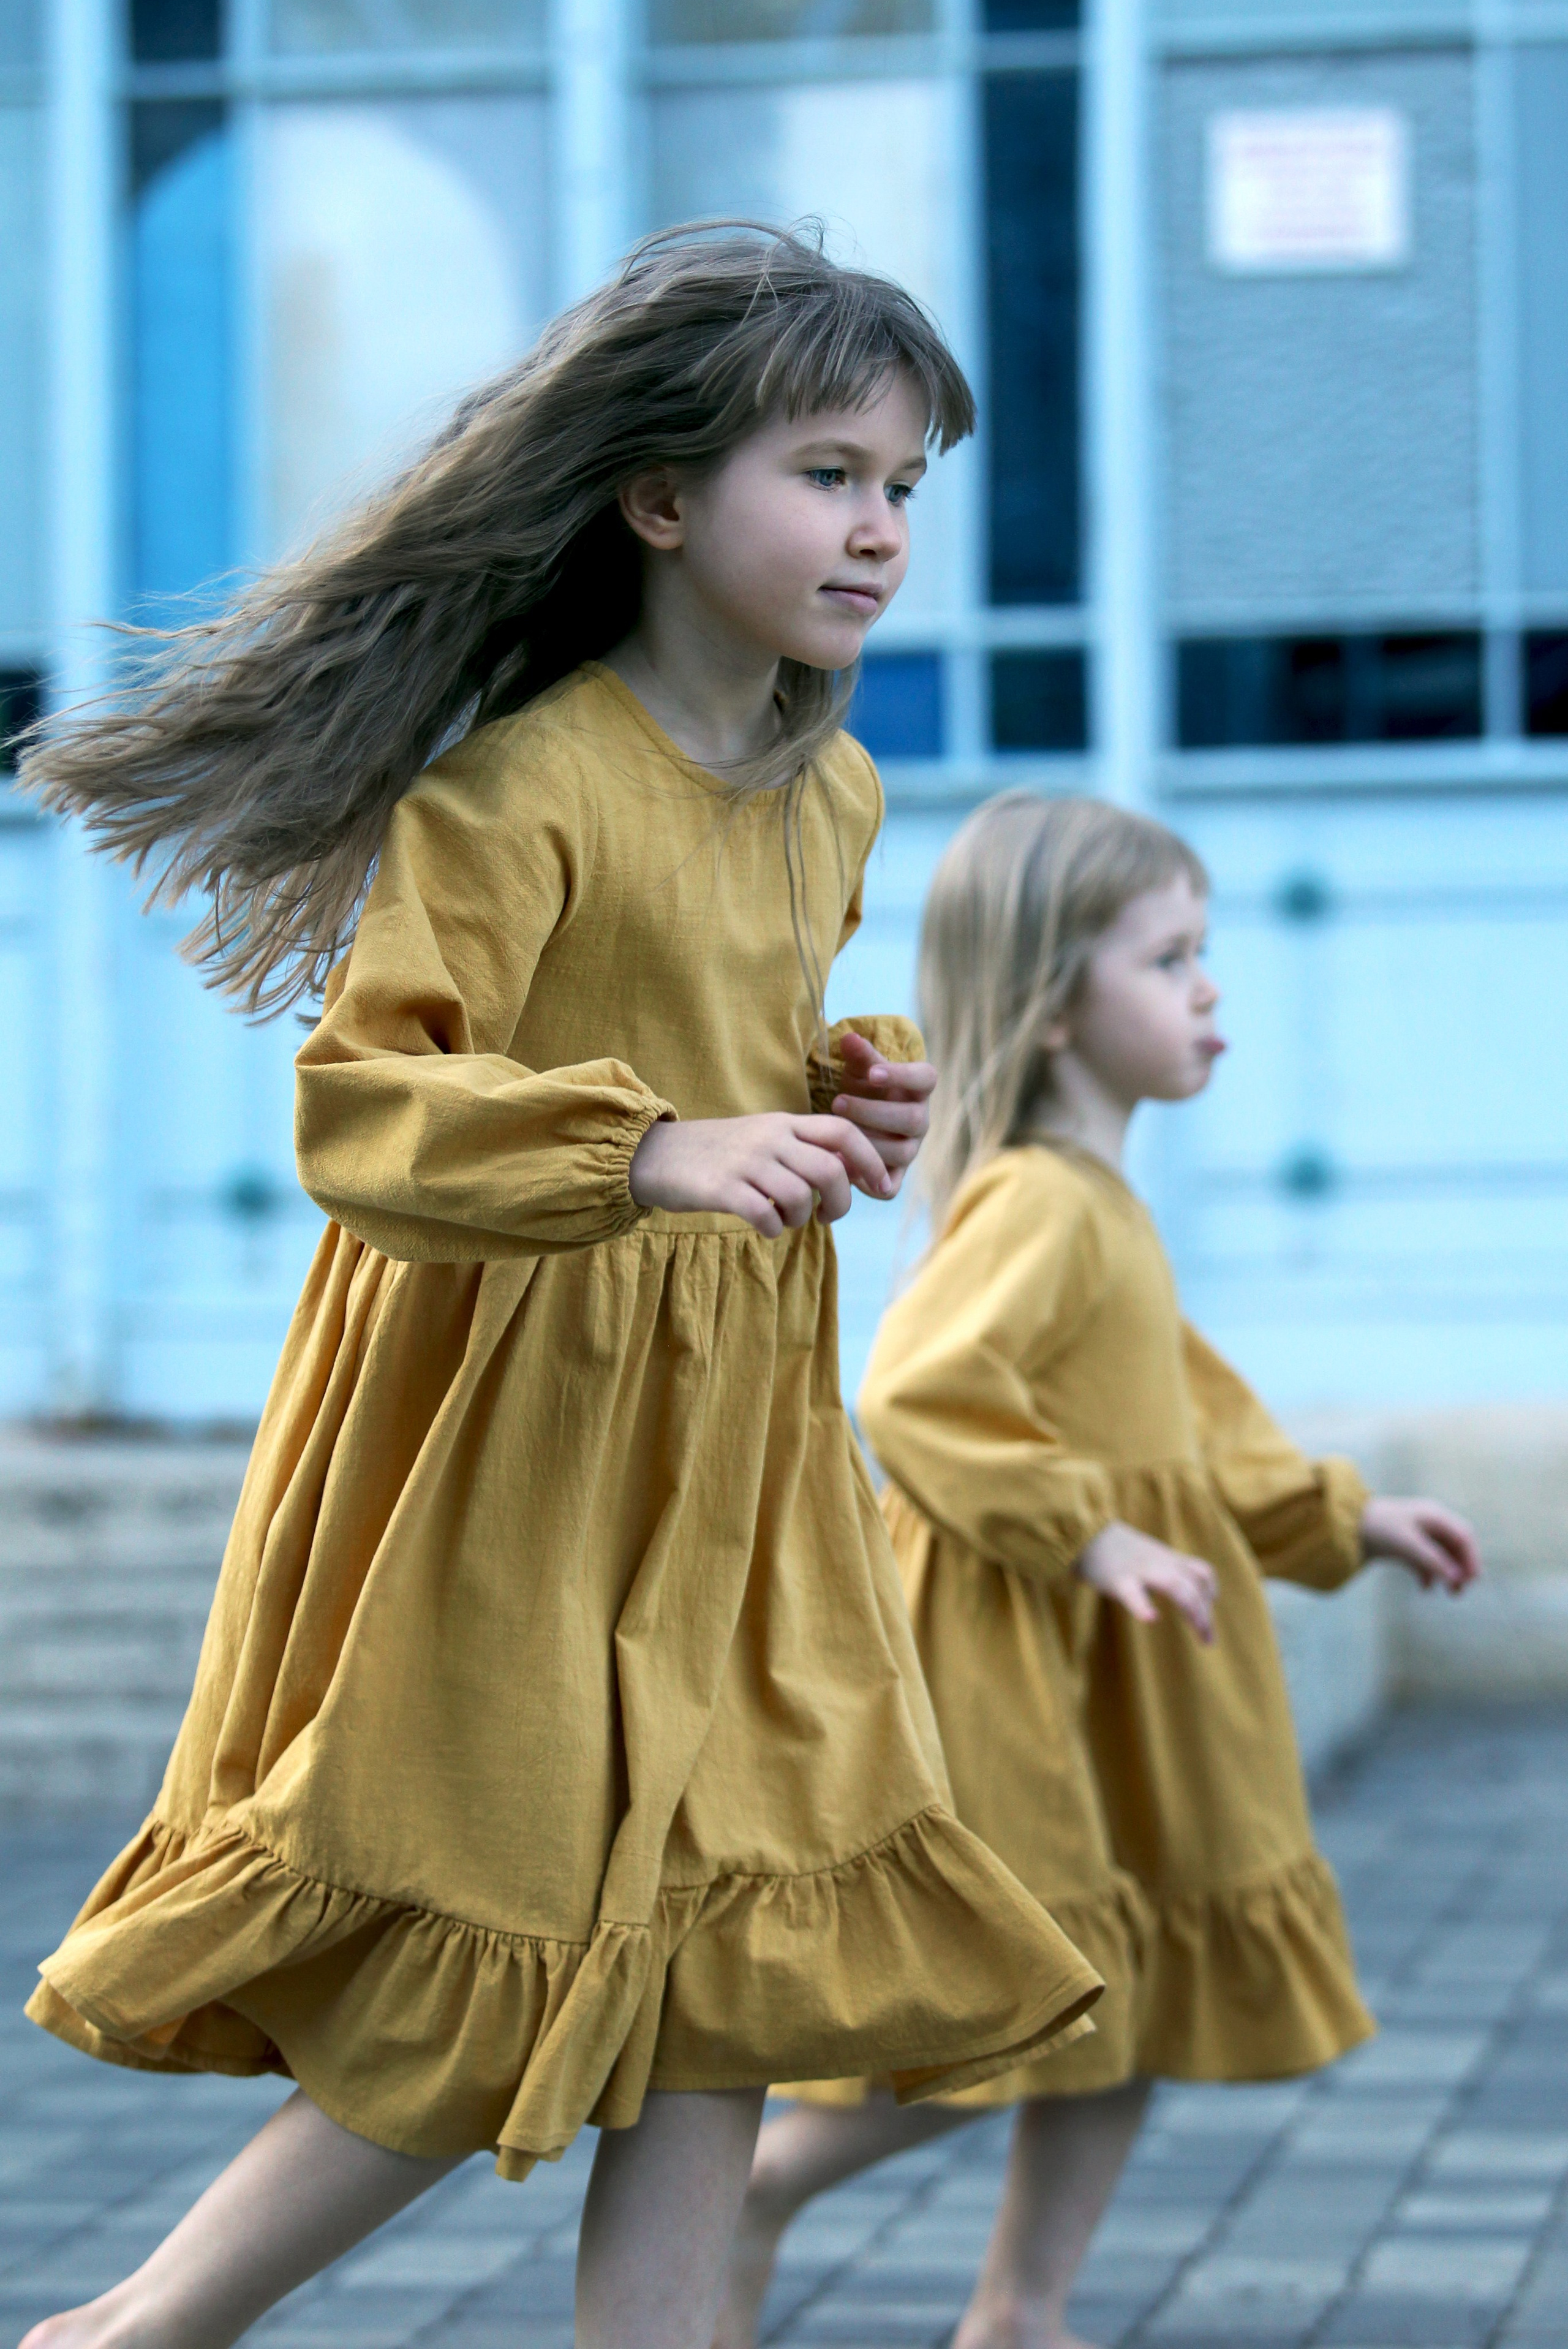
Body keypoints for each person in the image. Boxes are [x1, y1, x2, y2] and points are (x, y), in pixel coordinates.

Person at [16, 236, 1104, 2349]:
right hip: (515, 1433)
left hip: (742, 1443)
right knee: (489, 1938)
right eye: (829, 473)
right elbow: (367, 1105)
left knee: (728, 1948)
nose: (881, 528)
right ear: (661, 496)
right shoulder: (518, 789)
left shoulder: (832, 787)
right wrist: (652, 1151)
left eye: (905, 484)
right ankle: (130, 2336)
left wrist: (835, 1092)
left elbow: (720, 1027)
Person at [717, 792, 1480, 2349]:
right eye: (1167, 958)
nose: (1206, 989)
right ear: (1054, 1004)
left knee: (1125, 1994)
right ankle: (749, 2194)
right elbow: (914, 1387)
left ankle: (1020, 2313)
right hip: (1023, 1668)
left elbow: (1191, 1421)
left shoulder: (1100, 1201)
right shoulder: (1041, 1203)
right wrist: (1088, 1531)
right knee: (1018, 1998)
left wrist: (1337, 1521)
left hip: (1115, 1668)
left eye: (1201, 953)